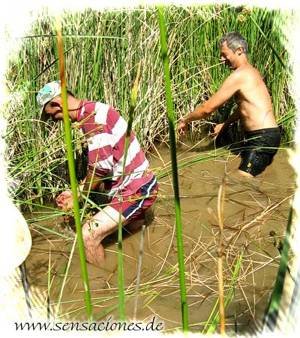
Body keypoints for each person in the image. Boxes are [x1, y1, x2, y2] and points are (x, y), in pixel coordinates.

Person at [36, 81, 158, 266]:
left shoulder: (92, 117)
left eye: (50, 115)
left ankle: (103, 282)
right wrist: (76, 192)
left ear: (57, 104)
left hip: (136, 189)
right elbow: (103, 165)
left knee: (88, 235)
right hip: (133, 186)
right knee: (133, 231)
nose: (54, 120)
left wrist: (78, 198)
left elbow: (100, 169)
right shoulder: (93, 111)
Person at [178, 32, 281, 177]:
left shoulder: (240, 75)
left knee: (239, 184)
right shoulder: (253, 72)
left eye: (224, 54)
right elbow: (244, 108)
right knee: (250, 182)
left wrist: (185, 119)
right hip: (265, 136)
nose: (221, 59)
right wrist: (225, 124)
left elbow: (207, 109)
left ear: (239, 50)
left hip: (262, 138)